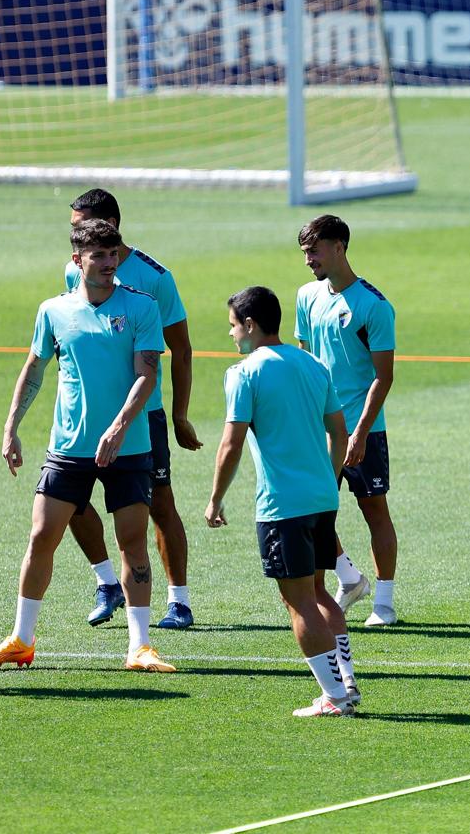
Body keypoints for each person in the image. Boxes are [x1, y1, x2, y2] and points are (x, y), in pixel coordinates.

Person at [0, 219, 174, 673]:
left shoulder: (141, 308)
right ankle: (22, 638)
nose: (110, 262)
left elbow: (146, 374)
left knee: (132, 541)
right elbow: (34, 370)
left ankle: (140, 646)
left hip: (128, 446)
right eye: (99, 255)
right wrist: (11, 425)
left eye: (113, 254)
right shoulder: (53, 311)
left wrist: (118, 427)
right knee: (41, 537)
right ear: (78, 260)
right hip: (68, 447)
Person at [206, 286, 361, 716]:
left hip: (282, 506)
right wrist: (329, 480)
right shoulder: (313, 365)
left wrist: (215, 499)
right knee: (317, 591)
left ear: (251, 325)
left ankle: (335, 697)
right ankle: (345, 682)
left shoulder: (243, 374)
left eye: (234, 326)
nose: (232, 335)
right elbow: (339, 432)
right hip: (321, 499)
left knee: (298, 602)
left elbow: (230, 445)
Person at [63, 189, 201, 630]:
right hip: (88, 415)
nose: (71, 235)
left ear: (108, 226)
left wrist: (179, 415)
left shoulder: (155, 277)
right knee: (68, 500)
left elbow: (180, 349)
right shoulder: (73, 269)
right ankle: (107, 582)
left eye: (77, 224)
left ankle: (178, 601)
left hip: (144, 416)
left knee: (160, 503)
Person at [295, 215, 399, 627]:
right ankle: (349, 577)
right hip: (319, 428)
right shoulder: (307, 296)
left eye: (314, 250)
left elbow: (383, 376)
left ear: (339, 247)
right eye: (304, 252)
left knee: (374, 509)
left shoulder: (373, 306)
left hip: (363, 428)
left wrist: (358, 432)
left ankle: (385, 603)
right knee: (311, 512)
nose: (308, 260)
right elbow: (305, 360)